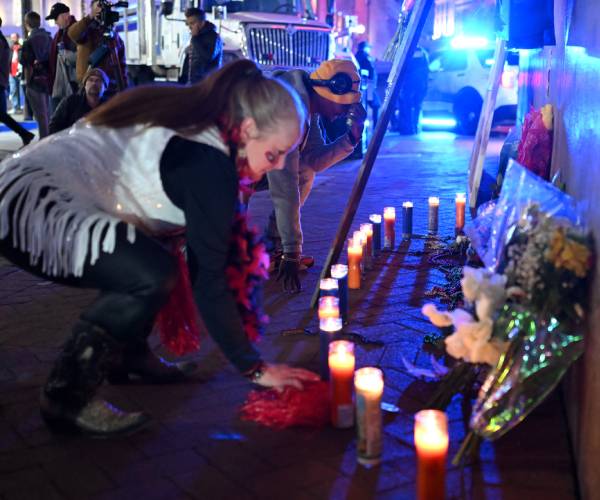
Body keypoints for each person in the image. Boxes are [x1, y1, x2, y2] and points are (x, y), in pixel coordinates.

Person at [0, 60, 317, 438]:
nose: (280, 165)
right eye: (274, 154)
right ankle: (66, 396)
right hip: (31, 203)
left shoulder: (206, 126)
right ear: (247, 129)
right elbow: (210, 277)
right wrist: (256, 368)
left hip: (28, 186)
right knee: (151, 274)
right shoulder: (209, 162)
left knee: (153, 256)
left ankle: (128, 357)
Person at [261, 59, 366, 292]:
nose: (344, 114)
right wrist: (292, 251)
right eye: (344, 107)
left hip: (251, 161)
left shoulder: (311, 104)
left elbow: (312, 162)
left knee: (304, 172)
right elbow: (284, 186)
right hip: (222, 162)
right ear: (328, 95)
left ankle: (272, 249)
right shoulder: (287, 112)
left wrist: (351, 139)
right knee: (220, 255)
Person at [68, 0, 128, 94]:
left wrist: (124, 90)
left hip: (109, 88)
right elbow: (72, 34)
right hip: (87, 86)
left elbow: (122, 66)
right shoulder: (86, 31)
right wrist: (90, 17)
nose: (102, 11)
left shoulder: (115, 37)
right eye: (99, 7)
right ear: (92, 9)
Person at [0, 17, 35, 146]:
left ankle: (25, 134)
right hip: (2, 80)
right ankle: (24, 134)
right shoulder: (3, 40)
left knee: (2, 114)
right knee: (2, 114)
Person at [20, 11, 52, 138]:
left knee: (40, 116)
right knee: (48, 114)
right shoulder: (49, 38)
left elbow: (28, 66)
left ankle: (44, 142)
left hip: (35, 83)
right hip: (48, 81)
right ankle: (49, 139)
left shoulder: (29, 41)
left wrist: (27, 83)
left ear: (27, 24)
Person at [49, 67, 108, 134]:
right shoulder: (70, 102)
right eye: (91, 80)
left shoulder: (109, 106)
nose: (94, 83)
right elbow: (54, 126)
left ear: (105, 87)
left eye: (98, 80)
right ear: (85, 85)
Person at [46, 2, 78, 111]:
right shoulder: (60, 33)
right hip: (60, 85)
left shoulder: (76, 31)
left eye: (56, 18)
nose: (55, 22)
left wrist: (64, 53)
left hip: (72, 86)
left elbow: (82, 58)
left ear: (65, 16)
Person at [391, 45, 429, 135]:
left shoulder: (408, 54)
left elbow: (402, 70)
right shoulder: (423, 54)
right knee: (417, 106)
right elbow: (426, 71)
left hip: (409, 84)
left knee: (406, 106)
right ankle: (416, 127)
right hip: (420, 84)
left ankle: (408, 128)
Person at [182, 7, 223, 85]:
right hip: (195, 81)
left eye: (192, 23)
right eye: (188, 24)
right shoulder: (198, 36)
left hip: (207, 82)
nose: (190, 27)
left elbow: (208, 57)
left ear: (201, 22)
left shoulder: (213, 36)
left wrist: (195, 39)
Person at [354, 41, 381, 128]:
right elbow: (371, 72)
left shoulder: (355, 57)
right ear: (365, 48)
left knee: (361, 106)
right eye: (368, 48)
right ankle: (375, 126)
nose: (369, 50)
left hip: (359, 86)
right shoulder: (365, 57)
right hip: (367, 86)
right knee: (376, 104)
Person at [8, 33, 23, 114]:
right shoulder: (10, 48)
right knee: (13, 90)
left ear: (18, 38)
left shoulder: (21, 48)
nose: (13, 39)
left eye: (14, 37)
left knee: (22, 90)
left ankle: (23, 107)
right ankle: (16, 107)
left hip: (20, 72)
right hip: (12, 72)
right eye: (12, 37)